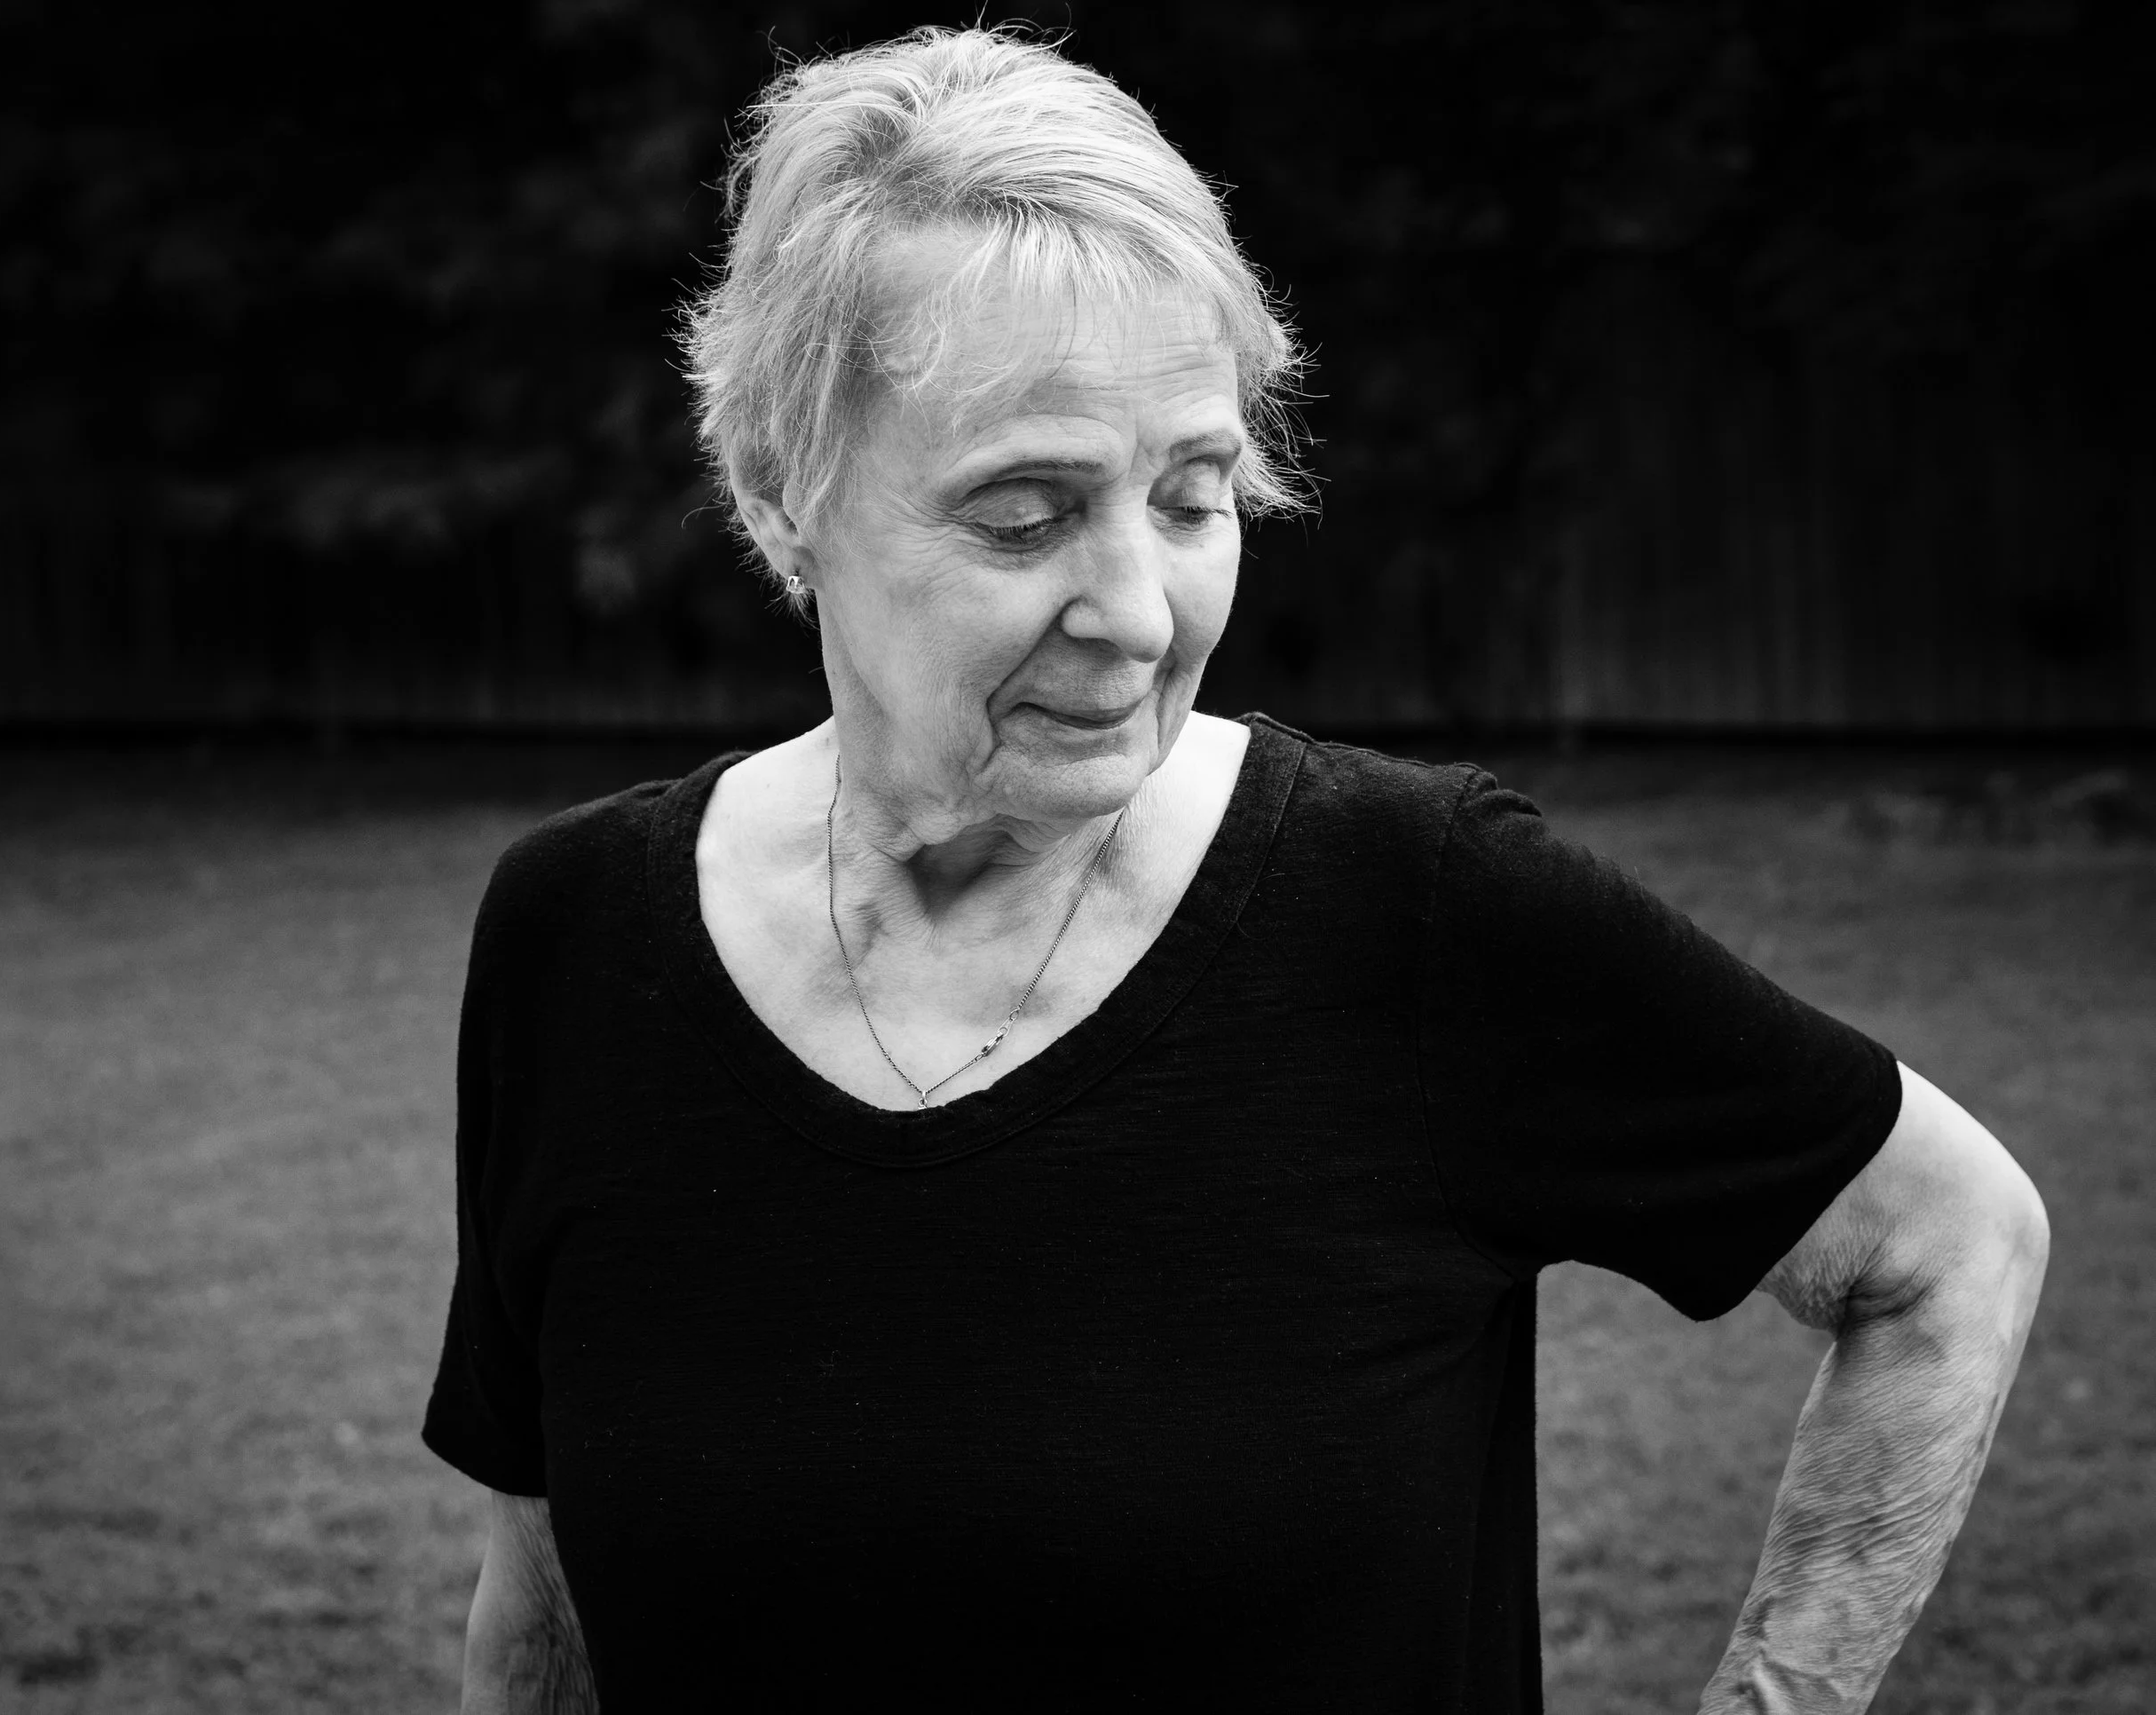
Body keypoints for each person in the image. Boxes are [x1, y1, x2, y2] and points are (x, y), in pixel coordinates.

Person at [424, 27, 2048, 1714]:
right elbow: (539, 1613)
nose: (1139, 611)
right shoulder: (575, 935)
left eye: (1194, 497)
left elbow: (1948, 1244)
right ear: (783, 492)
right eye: (1024, 514)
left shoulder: (1414, 902)